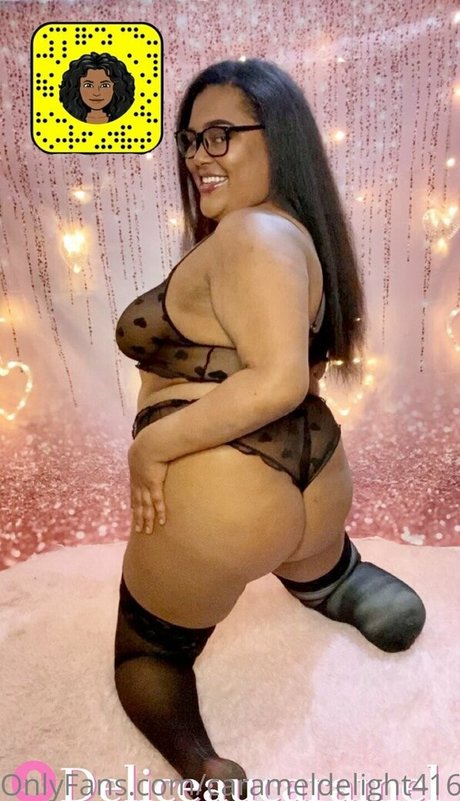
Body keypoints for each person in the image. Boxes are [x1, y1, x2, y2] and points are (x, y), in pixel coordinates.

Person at [114, 59, 426, 792]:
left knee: (147, 652)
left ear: (279, 138)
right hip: (316, 476)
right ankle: (335, 579)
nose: (199, 155)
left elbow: (279, 380)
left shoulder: (250, 233)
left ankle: (203, 763)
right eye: (191, 139)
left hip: (226, 498)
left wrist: (152, 447)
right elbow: (302, 375)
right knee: (315, 557)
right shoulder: (292, 233)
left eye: (221, 134)